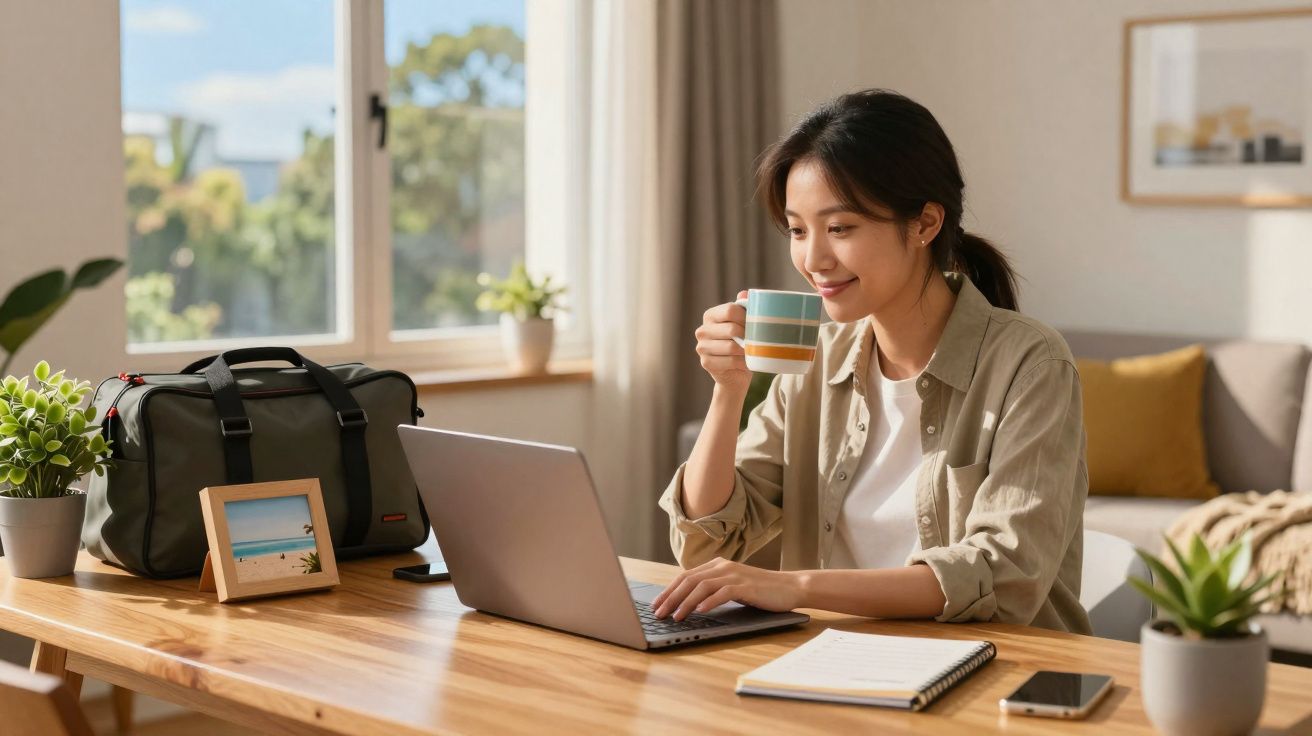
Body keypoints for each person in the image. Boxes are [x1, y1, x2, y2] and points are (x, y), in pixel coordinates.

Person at [653, 89, 1091, 634]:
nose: (813, 259)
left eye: (840, 228)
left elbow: (1002, 573)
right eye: (797, 229)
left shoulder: (1030, 363)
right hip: (837, 662)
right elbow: (707, 541)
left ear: (925, 224)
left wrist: (791, 586)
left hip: (991, 669)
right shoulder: (818, 359)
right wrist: (728, 390)